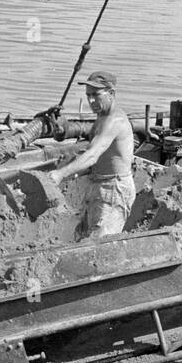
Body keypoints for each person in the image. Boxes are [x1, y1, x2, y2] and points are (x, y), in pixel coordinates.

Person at [49, 70, 135, 238]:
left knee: (99, 244)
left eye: (96, 95)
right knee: (82, 235)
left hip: (114, 188)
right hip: (98, 183)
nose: (91, 100)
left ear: (111, 93)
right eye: (88, 96)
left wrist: (61, 174)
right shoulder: (102, 117)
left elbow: (92, 155)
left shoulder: (114, 121)